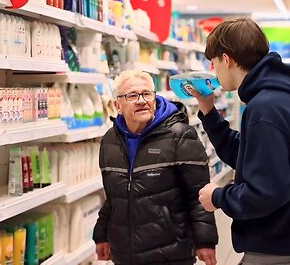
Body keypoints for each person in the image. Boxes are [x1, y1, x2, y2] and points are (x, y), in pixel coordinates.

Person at [189, 18, 290, 265]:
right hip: (287, 242)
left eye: (214, 62)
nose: (214, 70)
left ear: (226, 60)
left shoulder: (265, 108)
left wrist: (218, 197)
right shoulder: (278, 98)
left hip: (275, 248)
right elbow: (250, 156)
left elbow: (267, 192)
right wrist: (209, 112)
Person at [93, 70, 218, 265]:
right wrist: (101, 234)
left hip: (170, 252)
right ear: (118, 105)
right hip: (124, 254)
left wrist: (205, 241)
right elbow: (113, 196)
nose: (142, 100)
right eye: (133, 95)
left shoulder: (181, 135)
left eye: (147, 94)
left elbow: (198, 194)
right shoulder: (110, 141)